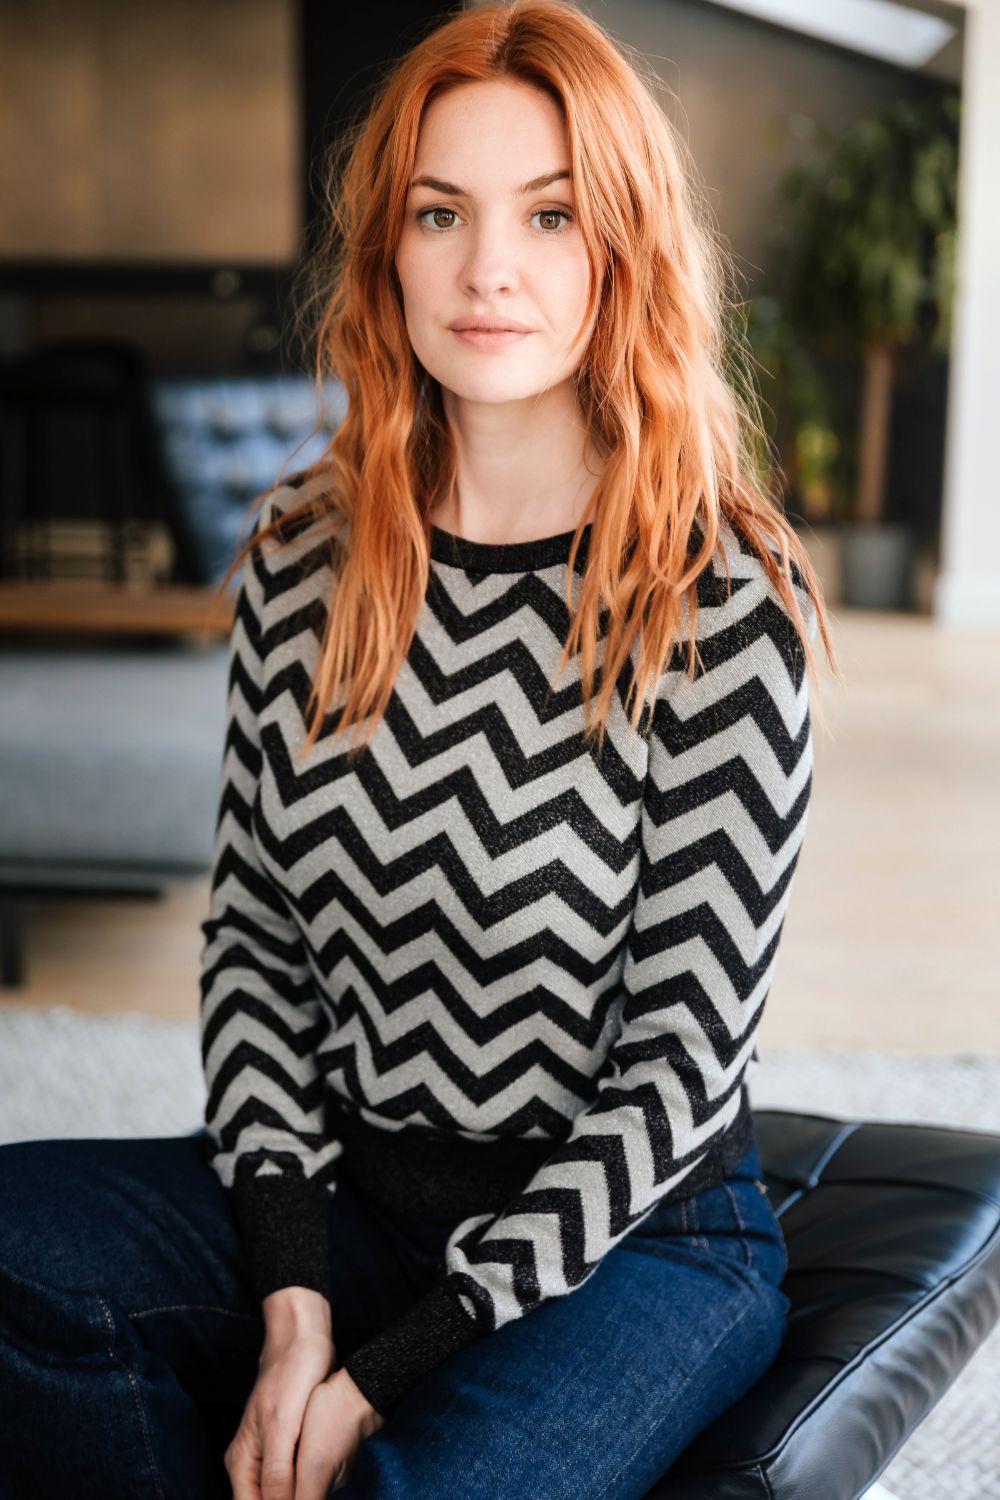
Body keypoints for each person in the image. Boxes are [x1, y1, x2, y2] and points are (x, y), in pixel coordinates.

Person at [0, 3, 842, 1497]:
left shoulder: (720, 595)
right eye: (439, 212)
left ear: (623, 250)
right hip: (357, 1195)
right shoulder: (305, 554)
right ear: (388, 246)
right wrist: (294, 1300)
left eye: (550, 214)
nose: (487, 268)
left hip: (636, 1240)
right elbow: (256, 947)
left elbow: (675, 1075)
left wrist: (394, 1367)